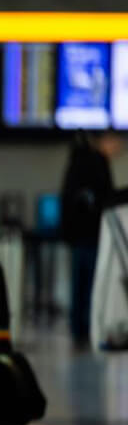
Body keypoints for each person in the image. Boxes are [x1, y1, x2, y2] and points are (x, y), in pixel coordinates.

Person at [60, 129, 120, 348]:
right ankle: (88, 328)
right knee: (92, 285)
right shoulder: (97, 164)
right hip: (93, 235)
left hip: (79, 235)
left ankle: (80, 329)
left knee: (80, 285)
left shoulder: (76, 162)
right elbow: (106, 198)